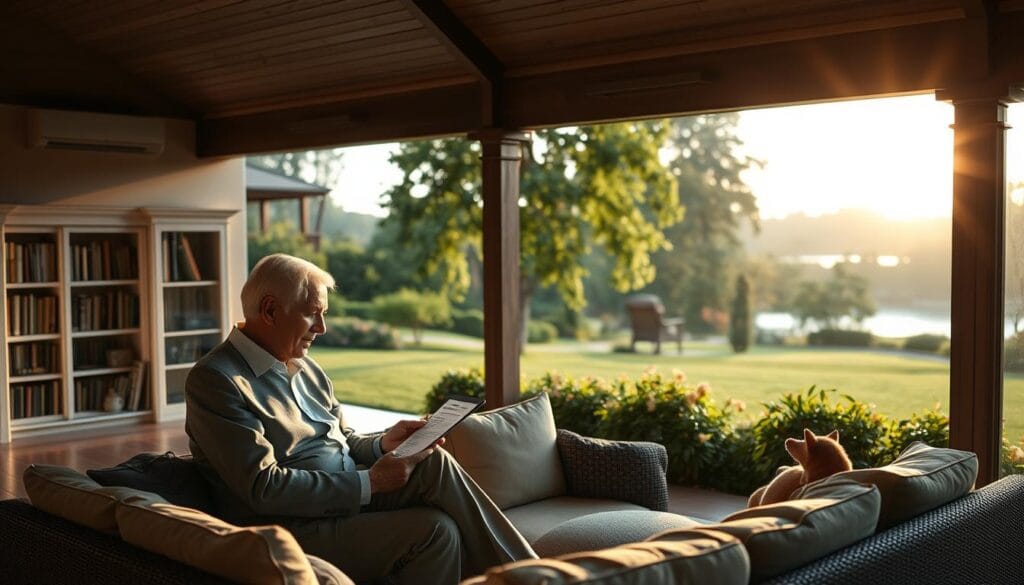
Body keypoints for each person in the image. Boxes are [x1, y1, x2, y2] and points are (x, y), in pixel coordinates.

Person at [185, 253, 536, 584]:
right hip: (290, 526)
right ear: (271, 310)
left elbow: (343, 441)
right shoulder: (217, 380)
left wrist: (384, 442)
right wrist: (372, 482)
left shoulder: (307, 369)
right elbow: (263, 488)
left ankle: (536, 575)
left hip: (341, 495)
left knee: (434, 464)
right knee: (436, 529)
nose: (321, 328)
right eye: (312, 313)